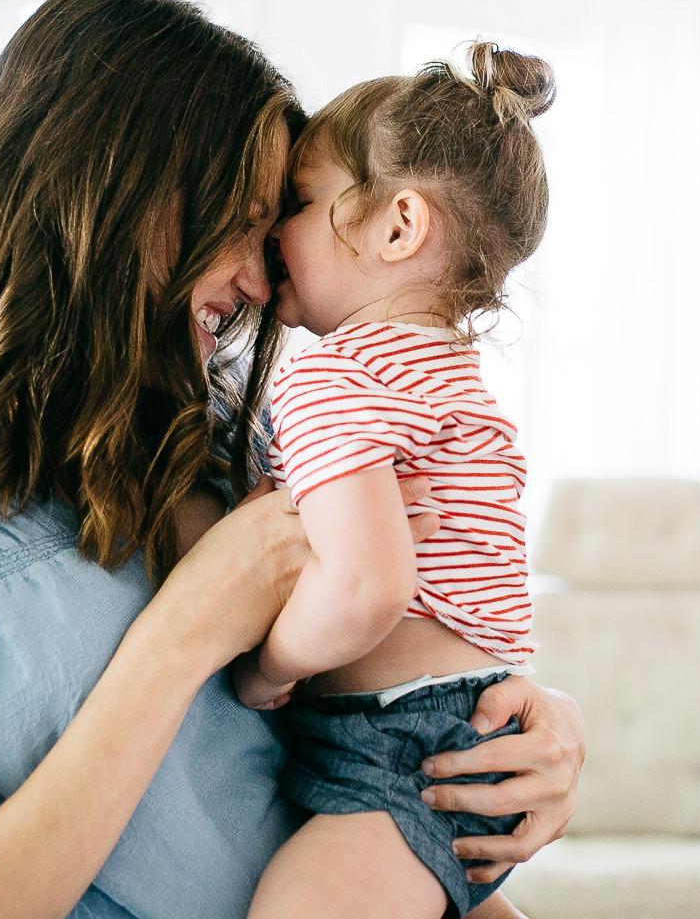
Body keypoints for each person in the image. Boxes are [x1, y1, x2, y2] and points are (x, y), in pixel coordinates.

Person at [0, 0, 584, 919]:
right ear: (109, 188)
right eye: (243, 223)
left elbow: (363, 708)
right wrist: (186, 632)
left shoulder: (220, 429)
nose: (263, 281)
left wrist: (521, 723)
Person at [231, 44, 553, 918]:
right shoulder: (451, 379)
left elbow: (370, 586)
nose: (269, 234)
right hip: (473, 727)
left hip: (399, 741)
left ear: (398, 226)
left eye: (298, 203)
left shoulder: (331, 376)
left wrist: (266, 670)